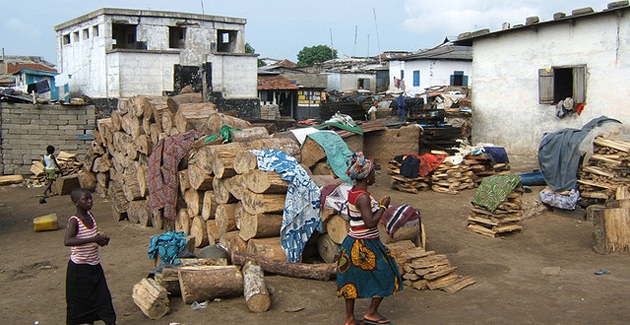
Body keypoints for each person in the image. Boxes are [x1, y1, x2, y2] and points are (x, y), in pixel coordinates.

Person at [336, 152, 403, 325]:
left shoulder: (354, 192)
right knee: (388, 274)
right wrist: (383, 206)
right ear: (366, 177)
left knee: (351, 279)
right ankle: (371, 312)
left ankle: (350, 319)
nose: (375, 176)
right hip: (365, 244)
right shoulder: (363, 197)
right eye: (373, 173)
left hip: (353, 242)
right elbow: (371, 222)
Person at [65, 188, 116, 325]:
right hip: (79, 269)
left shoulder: (91, 216)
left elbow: (93, 236)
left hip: (94, 265)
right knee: (78, 304)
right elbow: (68, 241)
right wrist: (93, 239)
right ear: (76, 203)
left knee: (103, 299)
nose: (90, 202)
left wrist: (101, 240)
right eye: (85, 199)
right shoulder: (74, 221)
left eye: (90, 198)